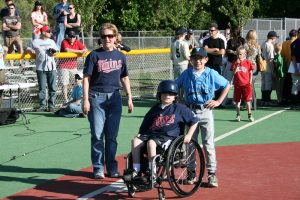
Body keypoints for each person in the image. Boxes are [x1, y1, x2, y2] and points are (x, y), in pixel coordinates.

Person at [82, 23, 134, 179]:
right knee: (97, 135)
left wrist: (129, 96)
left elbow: (124, 77)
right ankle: (98, 168)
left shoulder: (120, 56)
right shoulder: (94, 55)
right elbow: (86, 78)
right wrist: (85, 100)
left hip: (115, 98)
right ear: (100, 38)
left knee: (111, 136)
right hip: (96, 97)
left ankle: (112, 167)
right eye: (104, 36)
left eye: (110, 36)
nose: (107, 39)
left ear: (115, 37)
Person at [175, 47, 230, 187]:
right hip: (190, 112)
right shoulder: (187, 73)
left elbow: (226, 84)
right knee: (190, 143)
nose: (197, 61)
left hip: (206, 111)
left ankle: (211, 174)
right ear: (191, 59)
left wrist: (218, 101)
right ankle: (191, 171)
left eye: (200, 58)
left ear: (206, 60)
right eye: (194, 58)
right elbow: (175, 87)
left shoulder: (211, 73)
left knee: (208, 143)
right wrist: (178, 101)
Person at [125, 80, 198, 181]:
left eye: (170, 94)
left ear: (175, 96)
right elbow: (145, 125)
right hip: (152, 135)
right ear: (159, 95)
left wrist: (189, 135)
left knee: (151, 143)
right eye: (164, 93)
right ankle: (135, 170)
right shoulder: (155, 108)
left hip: (168, 137)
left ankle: (152, 171)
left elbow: (194, 120)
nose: (167, 95)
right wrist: (140, 134)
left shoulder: (179, 108)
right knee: (135, 141)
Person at [27, 25, 59, 112]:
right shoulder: (36, 41)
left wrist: (53, 52)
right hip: (40, 68)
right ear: (43, 32)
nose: (50, 33)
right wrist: (31, 51)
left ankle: (51, 105)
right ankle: (42, 105)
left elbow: (57, 52)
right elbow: (28, 48)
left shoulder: (52, 41)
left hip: (51, 67)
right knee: (42, 88)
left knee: (52, 87)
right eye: (48, 31)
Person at [59, 30, 87, 103]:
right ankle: (65, 100)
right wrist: (80, 51)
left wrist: (83, 50)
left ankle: (75, 98)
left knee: (78, 82)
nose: (72, 38)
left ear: (75, 37)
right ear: (68, 36)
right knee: (65, 84)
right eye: (70, 36)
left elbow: (85, 49)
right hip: (63, 66)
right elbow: (67, 50)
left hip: (73, 66)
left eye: (73, 36)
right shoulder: (64, 41)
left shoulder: (77, 41)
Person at [222, 26, 245, 106]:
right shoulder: (230, 41)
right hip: (230, 62)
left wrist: (233, 52)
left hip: (238, 63)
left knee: (238, 82)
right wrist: (228, 52)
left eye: (232, 32)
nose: (231, 33)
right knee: (227, 82)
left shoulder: (241, 40)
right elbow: (227, 52)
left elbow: (242, 52)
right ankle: (223, 101)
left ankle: (236, 101)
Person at [230, 46, 255, 122]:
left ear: (245, 54)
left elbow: (250, 72)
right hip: (237, 85)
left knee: (247, 101)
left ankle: (249, 115)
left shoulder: (248, 62)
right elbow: (233, 73)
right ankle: (238, 115)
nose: (239, 56)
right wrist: (236, 65)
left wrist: (250, 81)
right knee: (237, 101)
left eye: (241, 54)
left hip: (246, 85)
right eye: (238, 54)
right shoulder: (235, 62)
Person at [203, 23, 226, 100]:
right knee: (207, 82)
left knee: (217, 82)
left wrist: (210, 51)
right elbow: (205, 49)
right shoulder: (206, 40)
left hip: (217, 64)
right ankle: (207, 99)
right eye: (209, 30)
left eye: (212, 30)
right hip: (208, 64)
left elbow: (222, 52)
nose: (210, 32)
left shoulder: (220, 41)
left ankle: (218, 100)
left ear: (217, 31)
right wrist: (215, 50)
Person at [244, 30, 261, 110]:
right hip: (255, 66)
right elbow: (259, 56)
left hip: (247, 66)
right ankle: (254, 104)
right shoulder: (257, 46)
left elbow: (243, 56)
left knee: (247, 85)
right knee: (252, 85)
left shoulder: (246, 45)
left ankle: (248, 103)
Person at [261, 31, 278, 105]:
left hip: (262, 67)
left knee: (263, 83)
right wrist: (273, 71)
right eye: (275, 38)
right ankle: (267, 100)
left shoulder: (263, 43)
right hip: (268, 67)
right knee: (268, 83)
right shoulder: (270, 45)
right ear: (273, 37)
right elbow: (271, 60)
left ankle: (263, 100)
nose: (276, 39)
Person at [281, 29, 297, 105]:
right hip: (293, 65)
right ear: (296, 35)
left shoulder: (284, 43)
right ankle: (292, 99)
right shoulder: (295, 43)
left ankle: (285, 98)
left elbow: (282, 55)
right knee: (294, 83)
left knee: (286, 83)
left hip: (286, 65)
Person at [289, 28, 300, 109]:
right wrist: (296, 69)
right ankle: (294, 103)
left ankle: (296, 103)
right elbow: (293, 57)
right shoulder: (295, 43)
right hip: (296, 65)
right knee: (295, 84)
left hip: (295, 65)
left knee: (295, 84)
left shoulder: (294, 43)